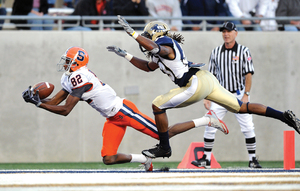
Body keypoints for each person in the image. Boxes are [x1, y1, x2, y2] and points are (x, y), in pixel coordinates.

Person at [107, 15, 300, 159]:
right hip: (206, 79)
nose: (144, 38)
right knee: (242, 107)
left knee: (157, 105)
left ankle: (164, 148)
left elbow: (158, 48)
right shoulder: (160, 51)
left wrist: (133, 34)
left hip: (194, 83)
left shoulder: (164, 42)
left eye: (147, 35)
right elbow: (149, 67)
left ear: (156, 34)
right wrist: (126, 55)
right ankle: (284, 117)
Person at [22, 46, 228, 171]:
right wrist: (34, 99)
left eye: (68, 61)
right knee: (108, 158)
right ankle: (144, 159)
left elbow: (66, 110)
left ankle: (207, 119)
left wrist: (39, 103)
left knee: (161, 134)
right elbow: (57, 101)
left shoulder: (81, 78)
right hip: (112, 118)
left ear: (78, 63)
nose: (65, 64)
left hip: (123, 111)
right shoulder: (69, 77)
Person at [191, 21, 261, 169]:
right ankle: (206, 159)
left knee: (248, 127)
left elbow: (248, 74)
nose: (226, 34)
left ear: (235, 33)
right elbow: (210, 76)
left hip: (238, 94)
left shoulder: (243, 51)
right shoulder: (216, 52)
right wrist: (207, 96)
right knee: (210, 123)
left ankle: (253, 159)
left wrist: (246, 94)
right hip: (220, 94)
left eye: (229, 31)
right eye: (223, 31)